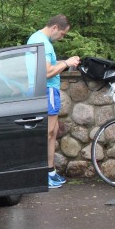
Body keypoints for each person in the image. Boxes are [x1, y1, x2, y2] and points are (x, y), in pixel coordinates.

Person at [27, 15, 80, 189]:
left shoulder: (38, 39)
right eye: (63, 34)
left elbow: (46, 65)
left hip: (47, 90)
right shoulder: (42, 42)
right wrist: (66, 63)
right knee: (48, 132)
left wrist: (62, 63)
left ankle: (50, 171)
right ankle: (43, 173)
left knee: (53, 130)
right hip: (47, 90)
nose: (62, 37)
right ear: (55, 27)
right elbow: (46, 72)